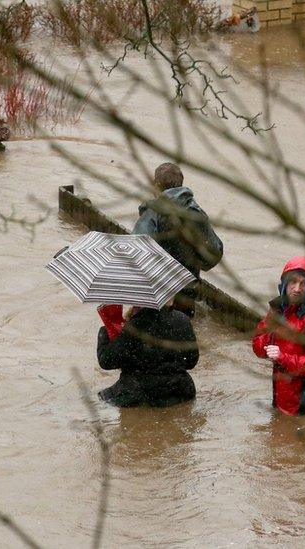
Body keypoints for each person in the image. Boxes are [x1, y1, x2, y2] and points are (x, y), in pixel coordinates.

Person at [132, 162, 223, 317]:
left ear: (156, 185)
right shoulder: (196, 213)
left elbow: (137, 251)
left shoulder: (152, 213)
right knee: (183, 332)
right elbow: (214, 251)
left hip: (157, 293)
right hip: (187, 292)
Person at [251, 256, 305, 416]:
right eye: (293, 282)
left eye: (303, 283)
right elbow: (258, 347)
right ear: (284, 285)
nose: (297, 289)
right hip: (281, 397)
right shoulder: (278, 309)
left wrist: (282, 357)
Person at [96, 302, 199, 407]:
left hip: (140, 395)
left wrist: (106, 329)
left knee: (101, 399)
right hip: (182, 392)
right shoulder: (182, 319)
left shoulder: (134, 327)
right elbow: (191, 362)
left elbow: (107, 361)